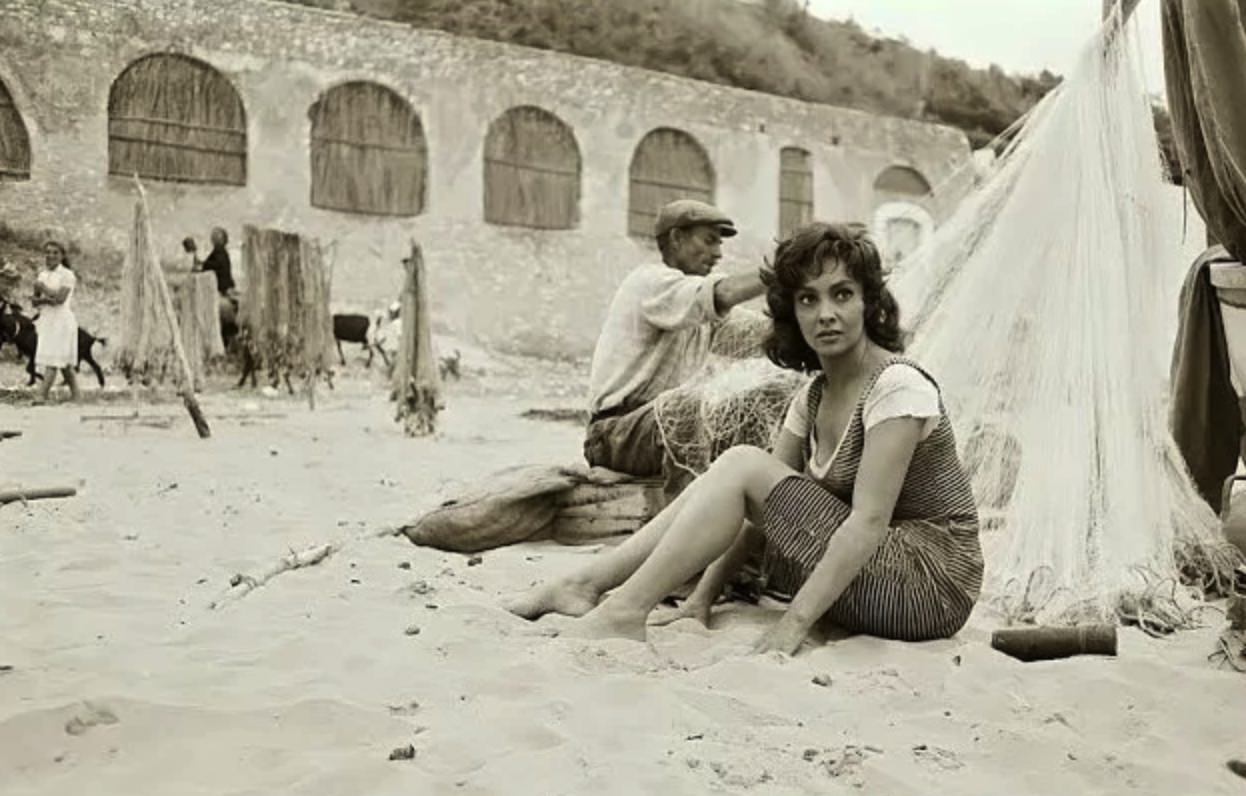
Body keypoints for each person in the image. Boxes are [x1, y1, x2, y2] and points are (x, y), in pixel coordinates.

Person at [509, 222, 983, 654]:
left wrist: (792, 626)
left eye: (842, 295)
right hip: (867, 576)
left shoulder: (897, 386)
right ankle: (589, 585)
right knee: (729, 471)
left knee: (742, 462)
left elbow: (868, 523)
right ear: (791, 312)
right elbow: (757, 513)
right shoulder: (814, 395)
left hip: (931, 587)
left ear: (869, 304)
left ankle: (623, 610)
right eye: (808, 299)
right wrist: (701, 600)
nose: (826, 314)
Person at [584, 199, 767, 478]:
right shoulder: (650, 282)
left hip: (656, 430)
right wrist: (781, 271)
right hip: (614, 435)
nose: (718, 254)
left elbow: (762, 335)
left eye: (719, 244)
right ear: (676, 238)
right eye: (709, 241)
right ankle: (693, 502)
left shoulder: (702, 311)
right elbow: (723, 293)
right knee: (693, 405)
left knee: (749, 409)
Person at [32, 240, 81, 403]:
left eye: (55, 253)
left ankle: (41, 395)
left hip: (62, 321)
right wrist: (42, 298)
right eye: (47, 252)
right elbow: (35, 301)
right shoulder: (42, 275)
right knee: (63, 361)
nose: (50, 256)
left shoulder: (67, 275)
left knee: (52, 360)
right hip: (47, 320)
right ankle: (77, 396)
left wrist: (43, 290)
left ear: (62, 256)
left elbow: (60, 299)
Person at [193, 227, 238, 338]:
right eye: (213, 236)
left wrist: (202, 265)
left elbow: (214, 265)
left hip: (222, 289)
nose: (212, 238)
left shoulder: (220, 253)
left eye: (215, 236)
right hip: (222, 287)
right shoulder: (219, 252)